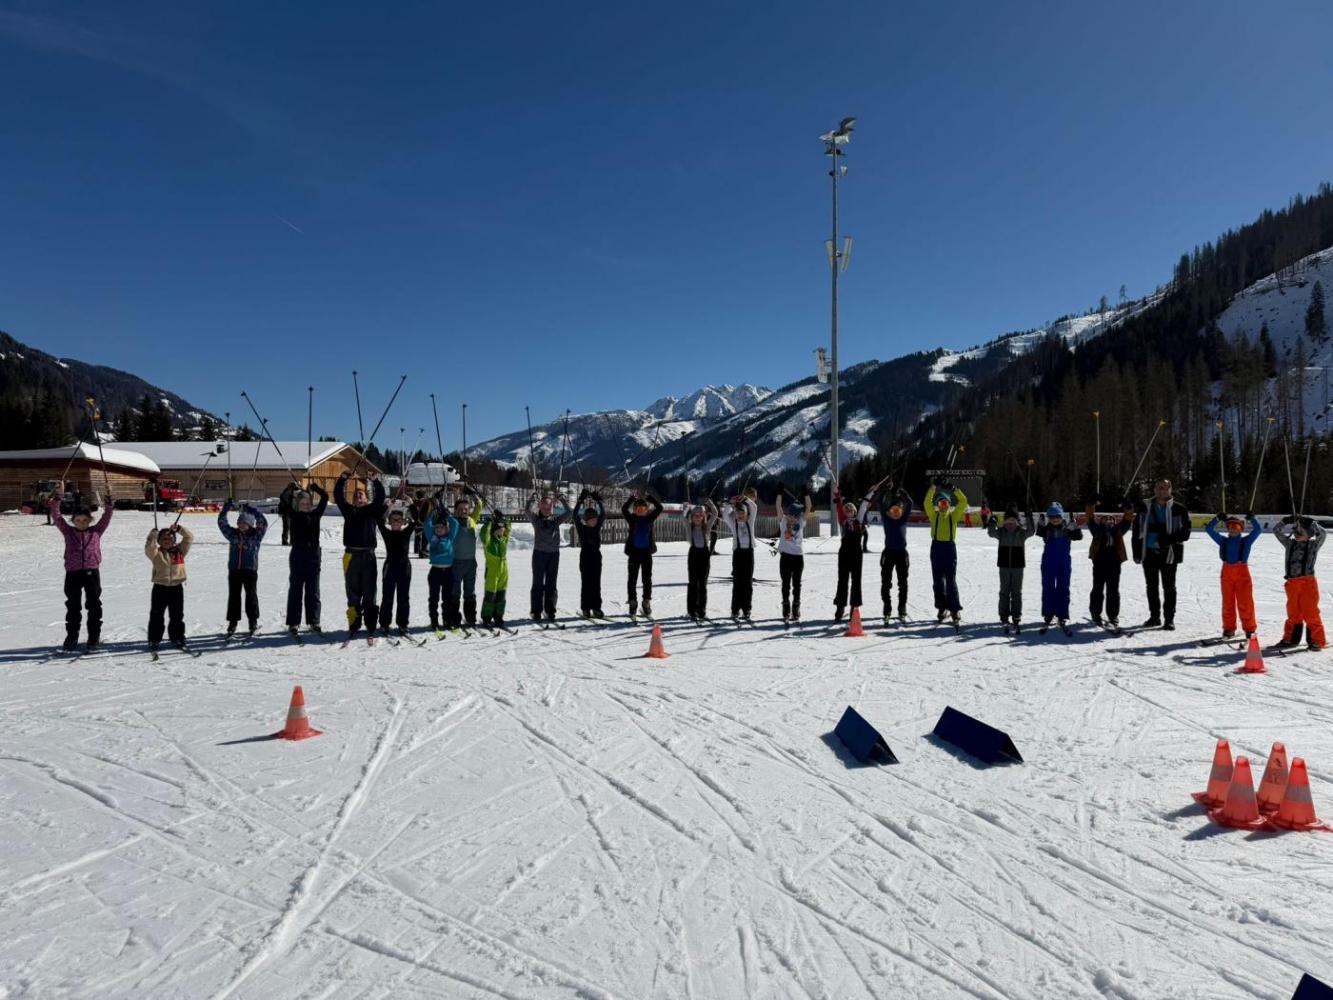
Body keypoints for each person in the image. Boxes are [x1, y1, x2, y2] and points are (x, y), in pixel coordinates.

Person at [50, 493, 113, 650]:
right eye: (78, 520)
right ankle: (72, 636)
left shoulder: (96, 531)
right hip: (73, 573)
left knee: (94, 605)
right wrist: (57, 498)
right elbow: (57, 516)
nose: (81, 523)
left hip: (92, 572)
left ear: (90, 520)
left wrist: (109, 503)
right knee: (73, 606)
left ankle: (93, 636)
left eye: (85, 520)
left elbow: (106, 517)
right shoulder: (68, 531)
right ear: (73, 521)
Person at [1130, 479, 1191, 630]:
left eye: (1165, 487)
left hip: (1169, 553)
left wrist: (1166, 540)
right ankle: (1154, 617)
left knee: (1169, 587)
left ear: (1170, 489)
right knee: (1151, 586)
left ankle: (1169, 619)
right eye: (1159, 487)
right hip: (1148, 553)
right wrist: (1136, 552)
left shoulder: (1179, 509)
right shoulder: (1145, 507)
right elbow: (1137, 531)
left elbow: (1185, 533)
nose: (1162, 490)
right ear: (1154, 489)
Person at [334, 472, 387, 640]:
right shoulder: (348, 510)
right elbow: (338, 496)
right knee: (352, 593)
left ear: (366, 498)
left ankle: (371, 624)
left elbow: (380, 497)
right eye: (356, 495)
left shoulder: (372, 510)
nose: (358, 496)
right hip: (351, 555)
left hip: (368, 555)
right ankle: (354, 624)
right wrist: (343, 479)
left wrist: (375, 481)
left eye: (361, 494)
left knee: (370, 592)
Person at [1205, 511, 1263, 639]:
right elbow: (1209, 529)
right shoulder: (1223, 541)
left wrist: (1252, 519)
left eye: (1236, 528)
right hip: (1227, 573)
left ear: (1241, 529)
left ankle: (1250, 629)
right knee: (1228, 603)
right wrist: (1217, 519)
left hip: (1242, 573)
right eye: (1230, 528)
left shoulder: (1246, 541)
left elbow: (1258, 530)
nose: (1233, 530)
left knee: (1245, 602)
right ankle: (1229, 628)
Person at [1274, 516, 1326, 650]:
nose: (1297, 534)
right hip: (1292, 583)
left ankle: (1316, 640)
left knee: (1310, 612)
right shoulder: (1289, 543)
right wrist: (1285, 521)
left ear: (1309, 534)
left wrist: (1312, 523)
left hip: (1307, 583)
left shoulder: (1313, 545)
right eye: (1296, 531)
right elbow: (1276, 531)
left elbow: (1323, 534)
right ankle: (1291, 639)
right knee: (1293, 612)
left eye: (1301, 532)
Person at [218, 498, 269, 635]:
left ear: (250, 524)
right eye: (239, 522)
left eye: (244, 523)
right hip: (234, 570)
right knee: (234, 596)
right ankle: (233, 622)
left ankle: (253, 621)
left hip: (250, 570)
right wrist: (225, 510)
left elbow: (263, 522)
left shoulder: (256, 536)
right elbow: (222, 524)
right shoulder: (233, 534)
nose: (240, 525)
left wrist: (252, 511)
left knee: (251, 596)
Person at [1084, 495, 1134, 630]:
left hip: (1114, 564)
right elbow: (1089, 517)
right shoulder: (1096, 530)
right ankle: (1095, 612)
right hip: (1099, 563)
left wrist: (1127, 506)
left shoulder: (1118, 531)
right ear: (1100, 522)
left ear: (1114, 522)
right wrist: (1091, 504)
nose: (1108, 521)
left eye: (1110, 519)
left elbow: (1128, 519)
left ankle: (1113, 615)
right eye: (1105, 519)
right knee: (1097, 589)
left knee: (1113, 590)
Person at [285, 483, 329, 636]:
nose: (305, 505)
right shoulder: (294, 515)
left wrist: (315, 488)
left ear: (311, 504)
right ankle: (293, 622)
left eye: (308, 503)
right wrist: (291, 489)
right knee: (295, 589)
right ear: (298, 504)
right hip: (298, 553)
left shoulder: (316, 514)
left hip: (313, 554)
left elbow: (325, 497)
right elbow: (284, 499)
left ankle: (314, 621)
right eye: (302, 503)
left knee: (313, 589)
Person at [923, 479, 968, 624]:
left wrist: (954, 489)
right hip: (936, 548)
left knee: (950, 580)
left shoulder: (953, 516)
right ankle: (942, 607)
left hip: (949, 548)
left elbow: (963, 501)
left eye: (946, 503)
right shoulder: (933, 515)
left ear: (949, 505)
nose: (943, 506)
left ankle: (954, 609)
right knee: (937, 581)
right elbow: (927, 502)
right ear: (937, 505)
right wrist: (933, 487)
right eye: (941, 503)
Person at [987, 505, 1035, 634]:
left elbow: (1031, 531)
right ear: (1004, 521)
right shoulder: (1001, 532)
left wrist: (1029, 517)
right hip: (1004, 566)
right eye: (1008, 520)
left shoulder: (1021, 533)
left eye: (1013, 520)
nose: (1010, 523)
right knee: (1004, 591)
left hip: (1018, 566)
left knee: (1016, 592)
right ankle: (1003, 614)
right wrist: (992, 522)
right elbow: (991, 533)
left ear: (1017, 521)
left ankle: (1016, 614)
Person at [145, 523, 194, 651]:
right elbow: (149, 548)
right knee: (156, 615)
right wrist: (153, 536)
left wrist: (179, 529)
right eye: (164, 539)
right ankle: (154, 639)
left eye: (170, 538)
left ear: (174, 540)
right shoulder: (156, 553)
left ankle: (177, 637)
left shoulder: (180, 550)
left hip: (176, 588)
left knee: (177, 615)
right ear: (159, 541)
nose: (167, 541)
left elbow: (189, 538)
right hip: (160, 588)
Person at [1035, 502, 1083, 633]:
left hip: (1063, 563)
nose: (1055, 519)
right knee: (1048, 587)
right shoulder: (1046, 529)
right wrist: (1040, 523)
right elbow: (1039, 531)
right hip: (1048, 563)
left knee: (1063, 587)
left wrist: (1075, 527)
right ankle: (1048, 613)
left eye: (1057, 516)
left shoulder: (1067, 529)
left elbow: (1079, 537)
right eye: (1051, 517)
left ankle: (1062, 614)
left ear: (1061, 517)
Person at [527, 492, 570, 623]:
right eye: (544, 507)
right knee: (538, 583)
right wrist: (532, 499)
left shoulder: (556, 520)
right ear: (540, 507)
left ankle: (550, 610)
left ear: (552, 508)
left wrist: (562, 500)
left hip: (553, 555)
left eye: (549, 507)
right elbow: (527, 511)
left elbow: (569, 512)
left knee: (551, 583)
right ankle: (536, 611)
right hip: (539, 555)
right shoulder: (536, 519)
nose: (546, 509)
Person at [873, 483, 913, 621]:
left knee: (903, 583)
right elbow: (879, 502)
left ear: (901, 511)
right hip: (888, 554)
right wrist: (886, 490)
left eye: (898, 510)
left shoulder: (903, 519)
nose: (896, 513)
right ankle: (887, 607)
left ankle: (902, 608)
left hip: (901, 554)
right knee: (886, 583)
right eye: (893, 510)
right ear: (888, 512)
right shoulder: (886, 519)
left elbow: (910, 503)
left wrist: (904, 493)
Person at [622, 489, 664, 618]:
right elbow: (624, 509)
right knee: (632, 580)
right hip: (634, 554)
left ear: (647, 510)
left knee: (647, 580)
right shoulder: (632, 519)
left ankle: (646, 602)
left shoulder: (649, 519)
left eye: (643, 509)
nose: (641, 511)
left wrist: (650, 498)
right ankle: (633, 602)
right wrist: (631, 499)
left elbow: (659, 508)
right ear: (634, 510)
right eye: (638, 509)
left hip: (646, 554)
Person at [775, 488, 813, 621]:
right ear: (788, 515)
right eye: (791, 516)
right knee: (785, 584)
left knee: (797, 584)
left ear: (799, 517)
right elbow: (778, 506)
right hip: (785, 557)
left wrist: (806, 493)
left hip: (798, 558)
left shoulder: (801, 522)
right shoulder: (783, 521)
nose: (793, 519)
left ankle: (796, 606)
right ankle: (786, 605)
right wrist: (780, 493)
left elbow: (808, 507)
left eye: (795, 517)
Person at [832, 487, 870, 621]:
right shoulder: (842, 521)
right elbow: (839, 507)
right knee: (842, 580)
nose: (848, 511)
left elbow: (864, 505)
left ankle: (855, 606)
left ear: (854, 511)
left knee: (856, 580)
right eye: (846, 509)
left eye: (851, 509)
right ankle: (840, 607)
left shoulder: (858, 520)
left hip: (856, 554)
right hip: (844, 553)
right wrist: (837, 493)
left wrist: (871, 491)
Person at [378, 506, 416, 635]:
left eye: (399, 520)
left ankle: (402, 624)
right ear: (389, 521)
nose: (396, 522)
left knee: (403, 598)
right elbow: (379, 521)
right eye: (393, 519)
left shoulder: (406, 532)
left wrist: (411, 504)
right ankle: (384, 624)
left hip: (404, 568)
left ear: (403, 521)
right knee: (387, 597)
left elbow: (415, 520)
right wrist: (387, 506)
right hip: (390, 567)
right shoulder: (387, 533)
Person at [721, 493, 759, 619]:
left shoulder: (750, 522)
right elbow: (725, 514)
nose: (740, 515)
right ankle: (735, 609)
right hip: (737, 554)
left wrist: (745, 498)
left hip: (749, 554)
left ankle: (746, 609)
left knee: (747, 583)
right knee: (737, 582)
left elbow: (754, 507)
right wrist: (730, 503)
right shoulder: (733, 523)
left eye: (742, 513)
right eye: (738, 513)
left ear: (747, 514)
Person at [423, 505, 460, 631]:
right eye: (437, 527)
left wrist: (447, 514)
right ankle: (434, 620)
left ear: (446, 528)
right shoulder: (432, 537)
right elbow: (426, 524)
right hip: (435, 572)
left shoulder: (450, 537)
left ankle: (447, 619)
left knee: (447, 598)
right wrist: (433, 513)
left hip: (448, 572)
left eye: (442, 527)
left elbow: (455, 524)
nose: (439, 529)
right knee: (434, 598)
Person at [451, 490, 484, 626]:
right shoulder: (452, 522)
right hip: (456, 563)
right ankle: (454, 618)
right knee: (455, 592)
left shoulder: (472, 520)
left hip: (471, 563)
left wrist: (473, 494)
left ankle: (470, 617)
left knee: (470, 592)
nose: (463, 511)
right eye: (460, 509)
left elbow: (479, 505)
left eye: (466, 509)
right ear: (455, 511)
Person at [683, 498, 720, 622]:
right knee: (693, 583)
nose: (698, 517)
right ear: (692, 517)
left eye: (700, 515)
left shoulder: (707, 527)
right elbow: (684, 517)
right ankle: (691, 610)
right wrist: (686, 508)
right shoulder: (689, 527)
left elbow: (715, 514)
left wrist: (710, 504)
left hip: (704, 555)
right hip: (693, 554)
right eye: (695, 515)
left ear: (703, 516)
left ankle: (701, 611)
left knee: (703, 584)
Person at [574, 489, 606, 618]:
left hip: (596, 558)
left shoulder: (597, 527)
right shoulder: (581, 528)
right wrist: (580, 500)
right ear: (586, 520)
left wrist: (598, 501)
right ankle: (586, 608)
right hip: (585, 558)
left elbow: (603, 514)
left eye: (595, 519)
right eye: (592, 519)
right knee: (586, 584)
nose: (595, 521)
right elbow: (575, 515)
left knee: (596, 584)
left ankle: (596, 608)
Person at [481, 510, 511, 628]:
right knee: (490, 595)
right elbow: (484, 534)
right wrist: (488, 523)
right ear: (494, 529)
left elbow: (509, 529)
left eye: (503, 528)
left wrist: (504, 518)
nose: (503, 530)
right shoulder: (489, 541)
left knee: (501, 595)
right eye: (500, 528)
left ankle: (499, 616)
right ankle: (487, 617)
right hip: (492, 572)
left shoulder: (504, 539)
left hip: (503, 571)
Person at [411, 489, 434, 558]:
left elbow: (413, 512)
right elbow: (425, 513)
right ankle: (423, 549)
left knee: (417, 535)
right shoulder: (426, 502)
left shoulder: (415, 502)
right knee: (424, 536)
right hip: (423, 521)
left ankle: (417, 549)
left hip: (417, 521)